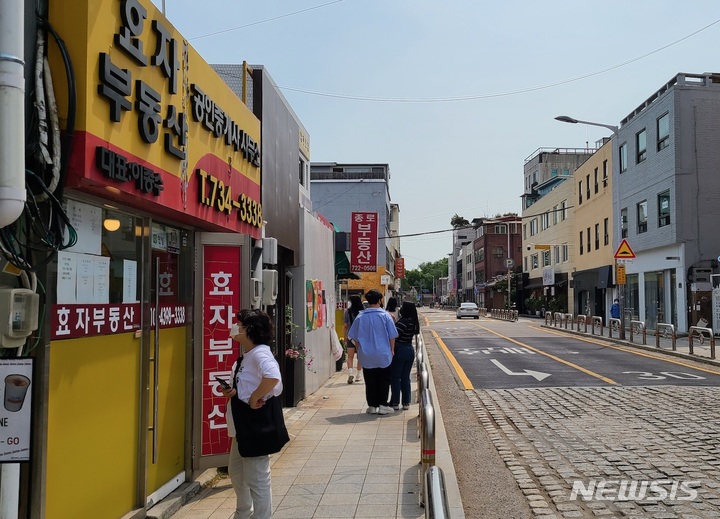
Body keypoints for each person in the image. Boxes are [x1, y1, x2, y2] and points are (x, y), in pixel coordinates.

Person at [223, 309, 285, 519]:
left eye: (238, 324)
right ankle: (242, 513)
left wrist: (253, 398)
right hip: (242, 426)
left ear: (249, 329)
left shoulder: (260, 353)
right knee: (238, 472)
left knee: (257, 478)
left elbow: (273, 377)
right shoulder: (249, 355)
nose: (235, 327)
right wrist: (234, 392)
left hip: (254, 425)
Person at [348, 289, 398, 415]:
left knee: (370, 380)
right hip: (383, 353)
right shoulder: (385, 316)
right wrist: (392, 349)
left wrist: (359, 350)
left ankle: (372, 405)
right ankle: (382, 405)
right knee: (384, 379)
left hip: (366, 353)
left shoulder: (360, 316)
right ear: (379, 301)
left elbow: (355, 337)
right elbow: (392, 335)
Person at [390, 301, 419, 410]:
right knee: (405, 377)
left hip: (400, 350)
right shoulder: (413, 321)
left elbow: (394, 335)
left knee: (396, 377)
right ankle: (406, 402)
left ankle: (395, 402)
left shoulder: (403, 322)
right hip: (409, 349)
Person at [343, 295, 365, 384]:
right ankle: (358, 375)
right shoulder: (363, 312)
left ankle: (350, 374)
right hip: (361, 337)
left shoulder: (347, 312)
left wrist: (345, 336)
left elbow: (345, 325)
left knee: (350, 357)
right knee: (360, 356)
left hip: (350, 336)